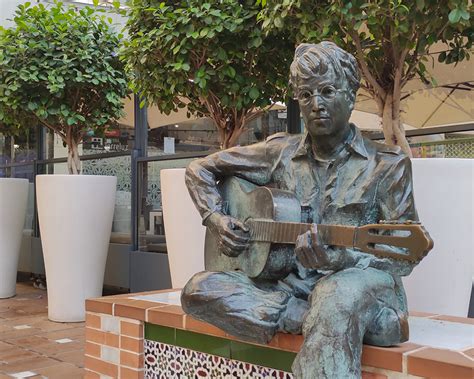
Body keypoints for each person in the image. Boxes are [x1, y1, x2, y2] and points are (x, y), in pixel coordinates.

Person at [181, 42, 424, 378]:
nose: (316, 104)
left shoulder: (387, 166)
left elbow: (403, 254)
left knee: (335, 293)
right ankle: (317, 317)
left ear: (351, 96)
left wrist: (343, 260)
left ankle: (339, 314)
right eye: (306, 95)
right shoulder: (278, 152)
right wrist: (217, 217)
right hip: (288, 286)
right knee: (199, 290)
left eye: (326, 91)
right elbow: (200, 169)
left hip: (357, 282)